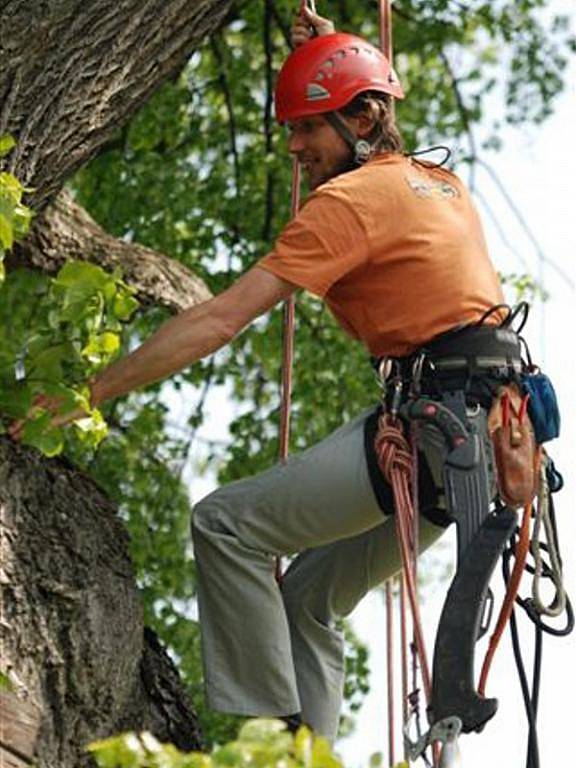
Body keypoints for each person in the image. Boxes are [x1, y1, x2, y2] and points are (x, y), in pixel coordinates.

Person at [11, 8, 521, 743]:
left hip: (433, 429)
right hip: (484, 443)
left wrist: (87, 394)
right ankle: (305, 756)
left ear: (357, 120)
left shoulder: (345, 205)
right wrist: (322, 60)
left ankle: (272, 732)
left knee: (225, 524)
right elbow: (378, 132)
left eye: (307, 128)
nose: (294, 148)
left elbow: (221, 319)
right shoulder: (436, 183)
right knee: (307, 596)